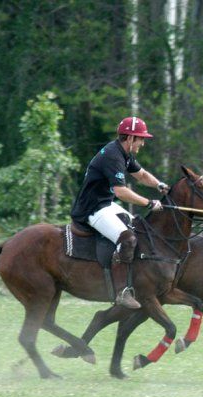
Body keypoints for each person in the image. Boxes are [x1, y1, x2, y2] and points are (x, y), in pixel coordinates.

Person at [70, 116, 170, 309]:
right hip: (92, 208)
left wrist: (159, 185)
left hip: (105, 203)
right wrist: (148, 202)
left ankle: (140, 282)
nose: (142, 143)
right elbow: (121, 192)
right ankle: (121, 291)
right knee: (128, 239)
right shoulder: (113, 155)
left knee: (140, 231)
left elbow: (140, 175)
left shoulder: (124, 153)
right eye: (141, 138)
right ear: (130, 138)